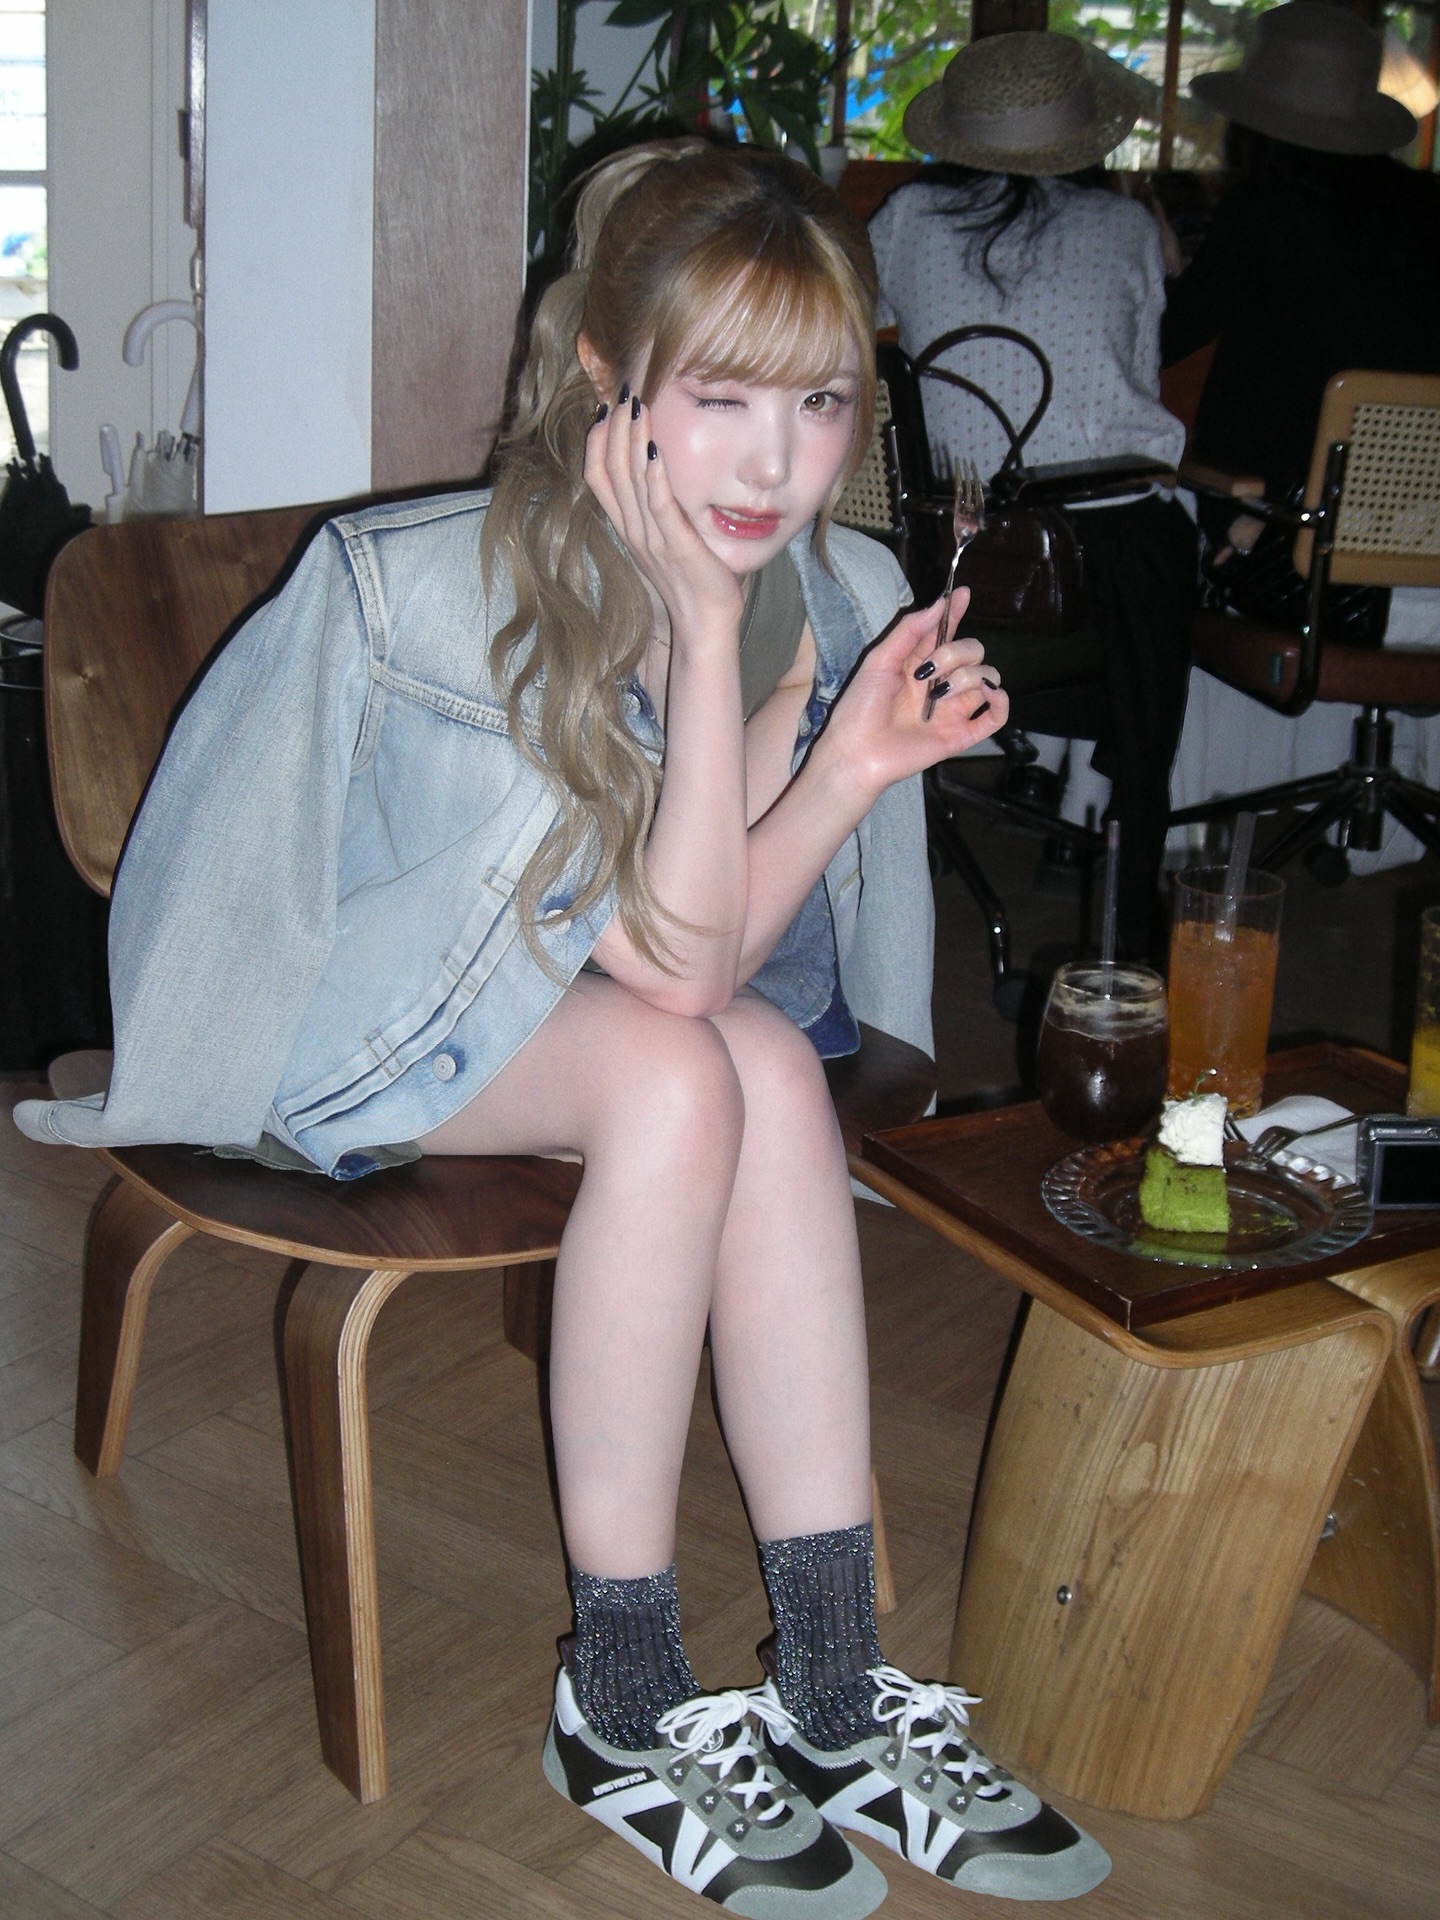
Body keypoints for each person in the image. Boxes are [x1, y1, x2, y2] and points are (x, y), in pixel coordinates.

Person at [13, 144, 1111, 1909]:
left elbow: (710, 946)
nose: (773, 463)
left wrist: (848, 759)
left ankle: (834, 1685)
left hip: (583, 987)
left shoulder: (814, 582)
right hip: (348, 1007)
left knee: (761, 1065)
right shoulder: (469, 591)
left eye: (822, 400)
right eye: (721, 397)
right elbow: (664, 974)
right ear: (611, 382)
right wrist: (703, 639)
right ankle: (621, 1695)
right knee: (683, 1076)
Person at [869, 30, 1195, 961]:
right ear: (1082, 137)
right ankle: (1125, 865)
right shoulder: (1126, 228)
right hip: (1107, 558)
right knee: (1167, 540)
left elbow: (858, 333)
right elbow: (1137, 382)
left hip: (965, 554)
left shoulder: (908, 218)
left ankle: (1035, 791)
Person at [1161, 0, 1440, 641]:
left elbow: (1159, 342)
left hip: (1300, 557)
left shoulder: (1262, 214)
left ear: (1251, 122)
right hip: (1422, 552)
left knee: (1158, 511)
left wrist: (1159, 269)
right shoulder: (1429, 212)